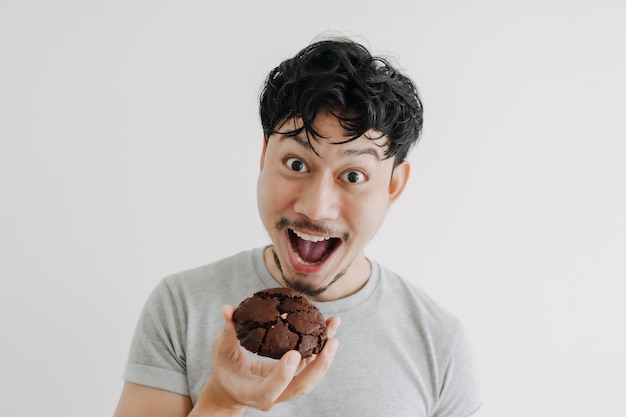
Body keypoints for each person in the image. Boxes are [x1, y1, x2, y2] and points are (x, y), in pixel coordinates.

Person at [113, 37, 482, 417]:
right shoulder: (181, 306)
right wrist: (221, 402)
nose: (315, 207)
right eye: (296, 164)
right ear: (263, 156)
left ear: (393, 186)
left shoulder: (439, 342)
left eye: (353, 175)